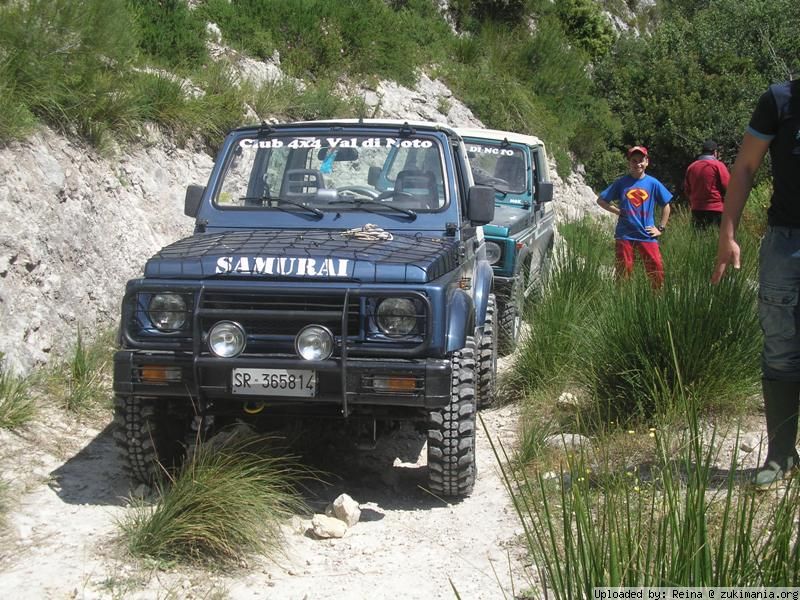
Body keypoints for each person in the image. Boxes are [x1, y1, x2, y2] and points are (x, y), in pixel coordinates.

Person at [712, 79, 800, 490]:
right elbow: (745, 167)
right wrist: (727, 233)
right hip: (786, 243)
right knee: (781, 347)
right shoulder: (779, 100)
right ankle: (780, 455)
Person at [596, 146, 672, 287]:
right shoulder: (621, 183)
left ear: (647, 161)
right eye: (634, 160)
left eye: (641, 160)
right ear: (629, 163)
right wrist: (618, 211)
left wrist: (660, 228)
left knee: (656, 269)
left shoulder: (653, 183)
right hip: (625, 234)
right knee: (623, 272)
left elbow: (666, 206)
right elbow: (601, 200)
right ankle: (623, 301)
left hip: (646, 234)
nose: (638, 164)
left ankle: (657, 300)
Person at [684, 139, 730, 229]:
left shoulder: (692, 167)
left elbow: (687, 189)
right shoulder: (718, 165)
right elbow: (728, 186)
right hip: (716, 209)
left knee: (699, 240)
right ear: (715, 152)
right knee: (716, 239)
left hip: (697, 209)